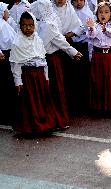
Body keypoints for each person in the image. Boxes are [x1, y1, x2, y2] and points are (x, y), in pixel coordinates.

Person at [29, 0, 83, 130]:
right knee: (56, 89)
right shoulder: (48, 25)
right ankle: (58, 120)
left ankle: (50, 119)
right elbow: (60, 41)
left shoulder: (39, 25)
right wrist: (74, 52)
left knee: (48, 90)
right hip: (52, 60)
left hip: (43, 60)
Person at [9, 11, 57, 135]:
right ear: (20, 26)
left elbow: (43, 60)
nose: (28, 28)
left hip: (39, 76)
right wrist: (18, 82)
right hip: (28, 76)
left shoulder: (38, 40)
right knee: (30, 103)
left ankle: (45, 125)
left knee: (42, 101)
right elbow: (16, 64)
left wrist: (46, 77)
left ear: (35, 25)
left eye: (31, 25)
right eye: (24, 25)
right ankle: (31, 127)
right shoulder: (17, 43)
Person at [86, 1, 111, 112]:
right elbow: (92, 36)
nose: (103, 15)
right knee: (98, 80)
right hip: (98, 56)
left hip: (110, 56)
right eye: (100, 12)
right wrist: (90, 28)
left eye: (106, 12)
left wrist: (105, 29)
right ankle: (99, 106)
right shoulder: (95, 26)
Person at [0, 9, 17, 125]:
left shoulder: (4, 22)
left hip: (10, 53)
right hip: (3, 55)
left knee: (10, 81)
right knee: (6, 82)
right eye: (6, 11)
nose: (8, 13)